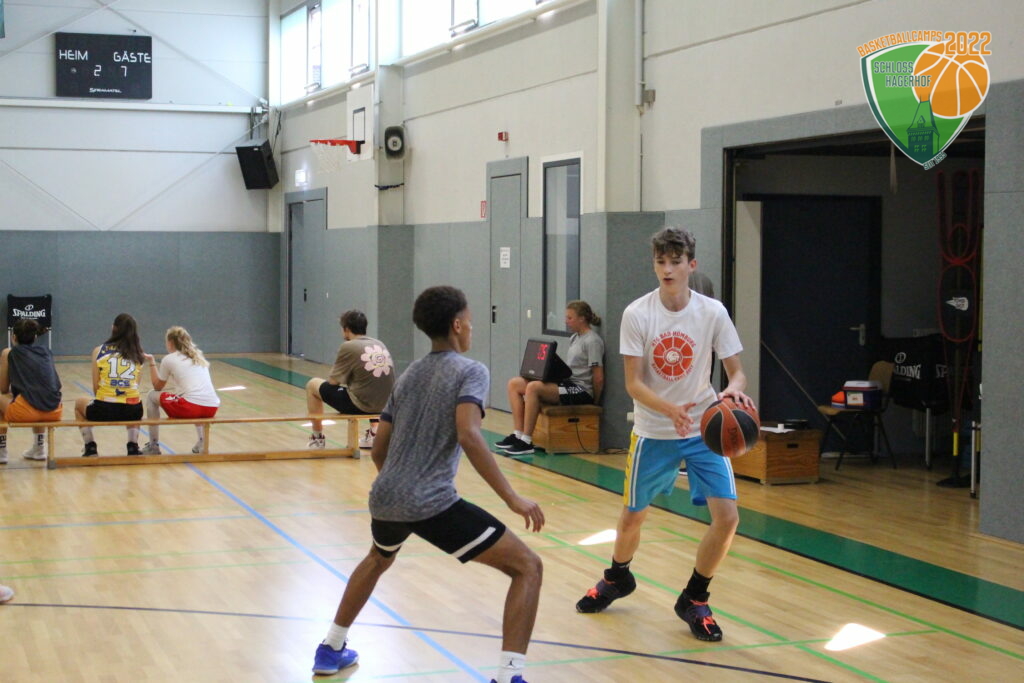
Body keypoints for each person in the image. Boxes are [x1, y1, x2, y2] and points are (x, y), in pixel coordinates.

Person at [310, 286, 545, 683]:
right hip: (430, 501)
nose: (471, 327)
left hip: (386, 494)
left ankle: (331, 648)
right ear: (458, 325)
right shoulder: (471, 371)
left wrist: (398, 487)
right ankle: (510, 677)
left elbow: (378, 449)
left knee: (378, 558)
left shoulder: (410, 374)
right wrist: (512, 498)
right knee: (528, 567)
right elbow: (469, 435)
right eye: (470, 320)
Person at [574, 227, 755, 644]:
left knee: (728, 518)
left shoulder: (713, 312)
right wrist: (670, 410)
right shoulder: (638, 314)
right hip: (655, 430)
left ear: (691, 265)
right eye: (661, 262)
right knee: (632, 516)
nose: (667, 269)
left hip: (703, 429)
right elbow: (633, 384)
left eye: (675, 262)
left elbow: (737, 372)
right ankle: (617, 577)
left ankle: (695, 597)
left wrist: (733, 391)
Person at [498, 300, 605, 456]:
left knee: (533, 388)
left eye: (570, 318)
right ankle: (518, 434)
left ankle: (526, 441)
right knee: (514, 384)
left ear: (582, 319)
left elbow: (598, 377)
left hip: (581, 390)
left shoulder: (593, 341)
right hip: (568, 384)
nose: (566, 321)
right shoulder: (575, 337)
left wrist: (595, 401)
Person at [305, 310, 394, 450]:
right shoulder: (380, 344)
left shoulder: (349, 346)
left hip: (361, 406)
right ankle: (374, 432)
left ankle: (317, 438)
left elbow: (334, 381)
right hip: (385, 405)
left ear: (346, 329)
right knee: (372, 386)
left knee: (312, 385)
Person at [75, 313, 147, 456]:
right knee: (134, 401)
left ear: (114, 328)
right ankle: (132, 445)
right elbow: (135, 386)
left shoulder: (99, 351)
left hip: (104, 409)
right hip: (132, 412)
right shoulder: (139, 354)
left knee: (79, 403)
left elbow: (96, 388)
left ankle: (90, 447)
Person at [140, 326, 220, 455]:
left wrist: (151, 362)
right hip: (211, 407)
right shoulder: (198, 356)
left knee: (151, 395)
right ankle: (202, 442)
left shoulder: (169, 359)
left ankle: (153, 445)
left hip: (190, 408)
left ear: (170, 342)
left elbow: (157, 387)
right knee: (196, 400)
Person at [0, 319, 63, 463]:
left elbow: (3, 388)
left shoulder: (8, 352)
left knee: (1, 397)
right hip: (55, 410)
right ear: (35, 337)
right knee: (38, 394)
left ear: (13, 337)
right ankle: (39, 447)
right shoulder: (46, 352)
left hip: (26, 411)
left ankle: (1, 450)